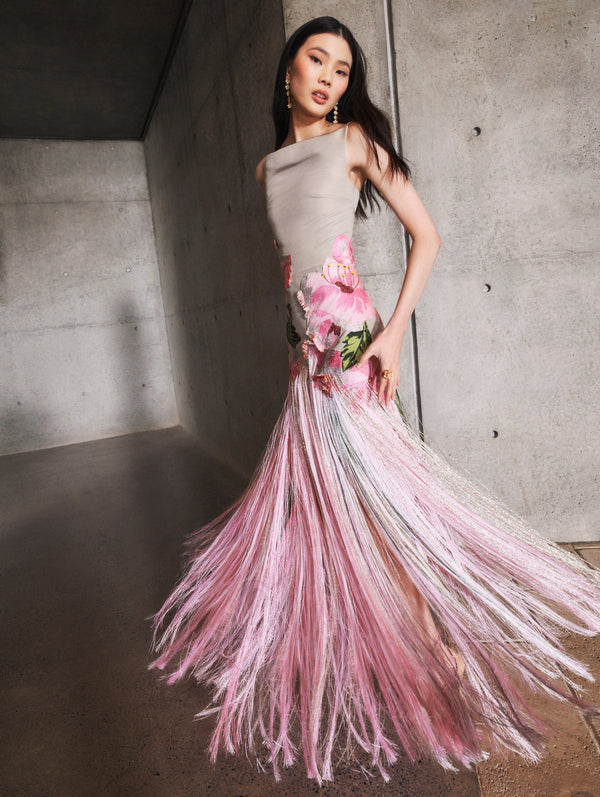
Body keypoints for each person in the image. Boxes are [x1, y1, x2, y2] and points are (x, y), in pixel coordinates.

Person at [150, 16, 600, 785]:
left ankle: (447, 661)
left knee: (382, 518)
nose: (327, 75)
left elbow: (426, 235)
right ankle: (417, 652)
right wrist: (293, 355)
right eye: (315, 59)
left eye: (342, 68)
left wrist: (392, 334)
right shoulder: (268, 169)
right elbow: (294, 271)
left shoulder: (354, 143)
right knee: (333, 518)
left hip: (358, 354)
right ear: (288, 70)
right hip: (309, 369)